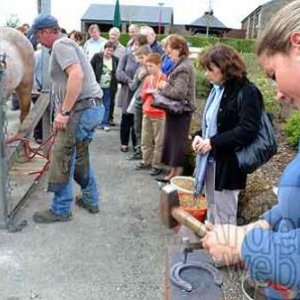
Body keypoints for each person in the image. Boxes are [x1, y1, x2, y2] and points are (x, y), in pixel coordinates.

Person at [202, 0, 300, 295]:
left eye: (273, 74)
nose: (278, 94)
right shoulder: (221, 91)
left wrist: (244, 245)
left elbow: (245, 129)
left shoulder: (247, 92)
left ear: (297, 45)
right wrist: (256, 228)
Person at [28, 14, 105, 223]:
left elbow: (76, 75)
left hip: (80, 110)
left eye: (36, 35)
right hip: (92, 108)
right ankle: (91, 199)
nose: (36, 39)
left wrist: (64, 112)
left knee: (63, 157)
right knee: (79, 157)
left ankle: (61, 209)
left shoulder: (61, 44)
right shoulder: (67, 44)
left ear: (46, 32)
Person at [192, 44, 263, 225]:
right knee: (212, 211)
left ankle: (224, 252)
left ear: (225, 69)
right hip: (210, 160)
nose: (207, 74)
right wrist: (199, 136)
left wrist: (213, 142)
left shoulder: (247, 91)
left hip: (229, 166)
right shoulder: (217, 89)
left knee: (224, 219)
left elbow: (247, 130)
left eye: (211, 69)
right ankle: (215, 251)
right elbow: (213, 125)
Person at [155, 34, 196, 183]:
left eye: (169, 50)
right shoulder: (183, 64)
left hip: (181, 111)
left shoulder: (183, 67)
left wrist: (164, 86)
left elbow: (179, 93)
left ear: (178, 49)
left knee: (177, 143)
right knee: (174, 142)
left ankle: (176, 175)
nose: (168, 53)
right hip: (179, 111)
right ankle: (173, 173)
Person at [135, 53, 166, 176]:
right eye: (147, 66)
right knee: (145, 138)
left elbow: (166, 95)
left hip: (159, 113)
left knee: (159, 141)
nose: (149, 69)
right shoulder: (148, 79)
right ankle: (145, 160)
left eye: (151, 66)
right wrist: (148, 92)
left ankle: (157, 164)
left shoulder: (164, 78)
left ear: (159, 65)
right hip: (147, 111)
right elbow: (142, 96)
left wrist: (156, 91)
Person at [127, 45, 152, 161]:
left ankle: (145, 154)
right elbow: (132, 86)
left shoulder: (154, 70)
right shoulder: (139, 70)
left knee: (146, 130)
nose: (139, 60)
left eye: (142, 57)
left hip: (149, 103)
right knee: (137, 127)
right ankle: (138, 150)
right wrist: (138, 78)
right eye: (138, 58)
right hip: (139, 101)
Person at [90, 41, 119, 131]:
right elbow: (90, 69)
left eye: (111, 51)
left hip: (110, 86)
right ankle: (94, 123)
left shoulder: (115, 60)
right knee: (96, 104)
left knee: (107, 105)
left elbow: (117, 72)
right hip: (98, 85)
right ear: (104, 49)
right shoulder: (97, 57)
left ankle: (104, 123)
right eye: (107, 50)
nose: (109, 52)